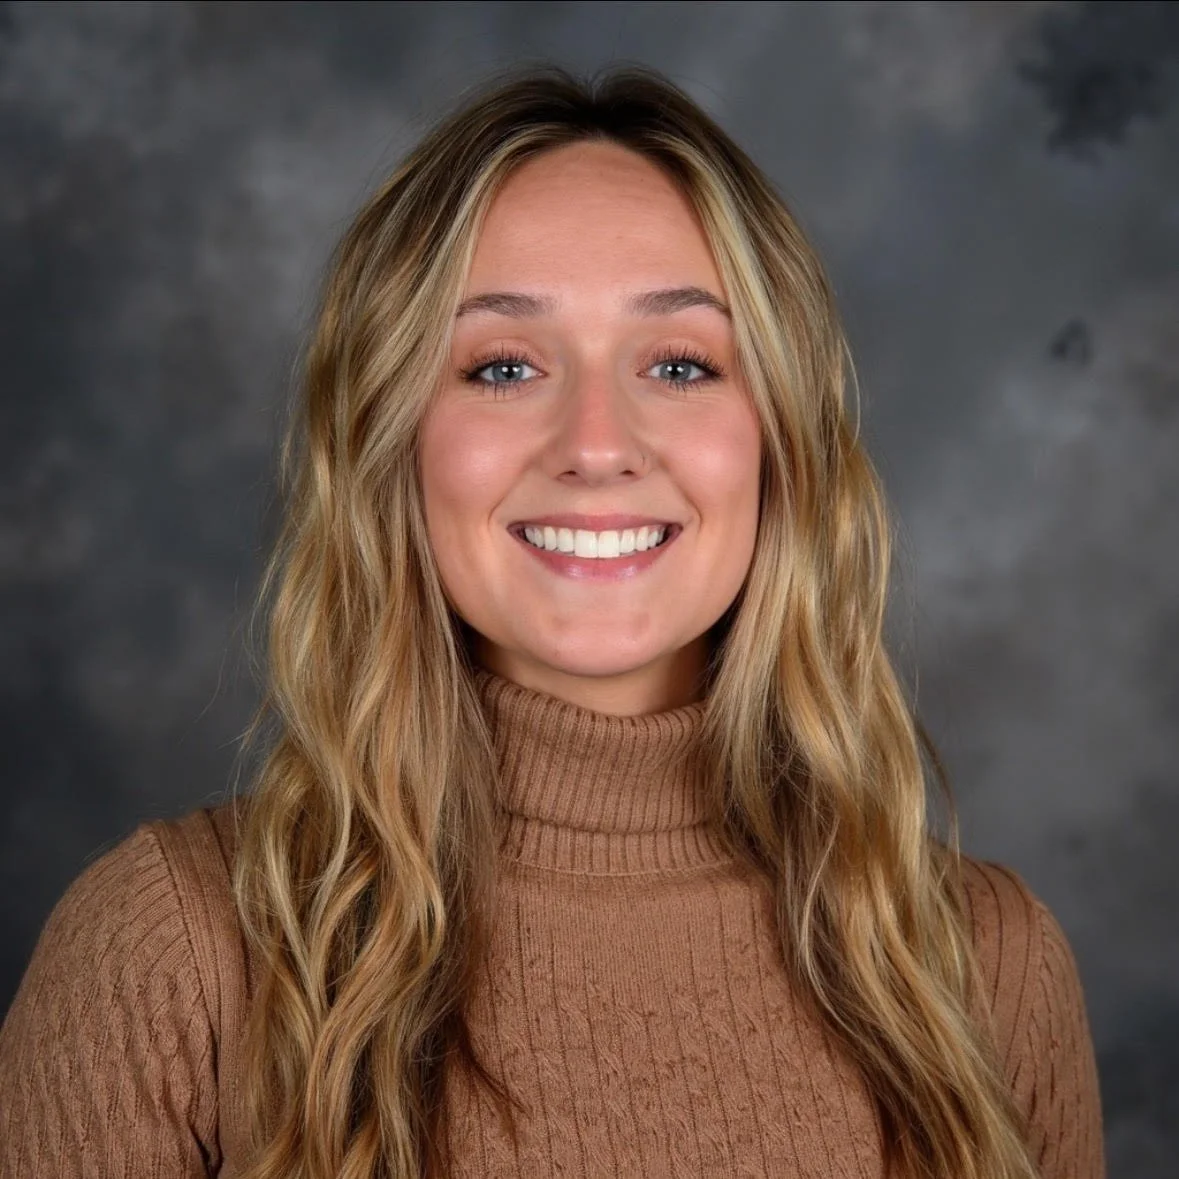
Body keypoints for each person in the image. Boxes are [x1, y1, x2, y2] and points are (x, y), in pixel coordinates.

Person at [0, 65, 1104, 1179]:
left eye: (679, 363)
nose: (594, 441)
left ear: (782, 443)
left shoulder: (983, 967)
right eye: (504, 365)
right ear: (394, 443)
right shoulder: (175, 946)